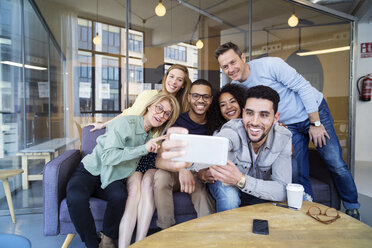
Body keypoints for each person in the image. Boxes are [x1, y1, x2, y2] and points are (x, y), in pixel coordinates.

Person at [214, 42, 360, 219]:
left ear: (243, 58)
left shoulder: (270, 65)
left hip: (313, 111)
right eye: (225, 66)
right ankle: (306, 211)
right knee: (297, 172)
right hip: (288, 125)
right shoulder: (238, 86)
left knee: (334, 161)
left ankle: (352, 206)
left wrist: (315, 123)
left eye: (233, 62)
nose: (230, 69)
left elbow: (303, 87)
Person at [66, 92, 180, 248]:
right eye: (159, 108)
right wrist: (143, 149)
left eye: (167, 113)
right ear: (148, 107)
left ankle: (108, 241)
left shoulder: (150, 138)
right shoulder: (126, 123)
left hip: (113, 175)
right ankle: (93, 244)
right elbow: (107, 157)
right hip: (91, 170)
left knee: (119, 197)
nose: (161, 115)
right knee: (75, 197)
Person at [206, 85, 292, 212]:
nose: (255, 122)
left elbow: (282, 190)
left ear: (275, 118)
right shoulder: (232, 129)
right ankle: (227, 231)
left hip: (250, 184)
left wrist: (241, 180)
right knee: (230, 198)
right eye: (250, 113)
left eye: (264, 115)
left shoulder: (283, 137)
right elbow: (216, 146)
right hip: (225, 181)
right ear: (243, 112)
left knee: (299, 199)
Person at [154, 79, 216, 229]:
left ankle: (210, 235)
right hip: (175, 171)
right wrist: (182, 168)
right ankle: (166, 231)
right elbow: (159, 160)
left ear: (211, 100)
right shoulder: (176, 121)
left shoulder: (214, 124)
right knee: (161, 177)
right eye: (195, 96)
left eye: (205, 97)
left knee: (201, 194)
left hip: (198, 173)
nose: (200, 100)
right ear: (188, 97)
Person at [89, 64, 191, 132]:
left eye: (179, 79)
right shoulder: (147, 95)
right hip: (135, 144)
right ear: (166, 77)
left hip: (157, 151)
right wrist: (103, 125)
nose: (173, 82)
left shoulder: (181, 108)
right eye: (171, 76)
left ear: (183, 84)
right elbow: (128, 114)